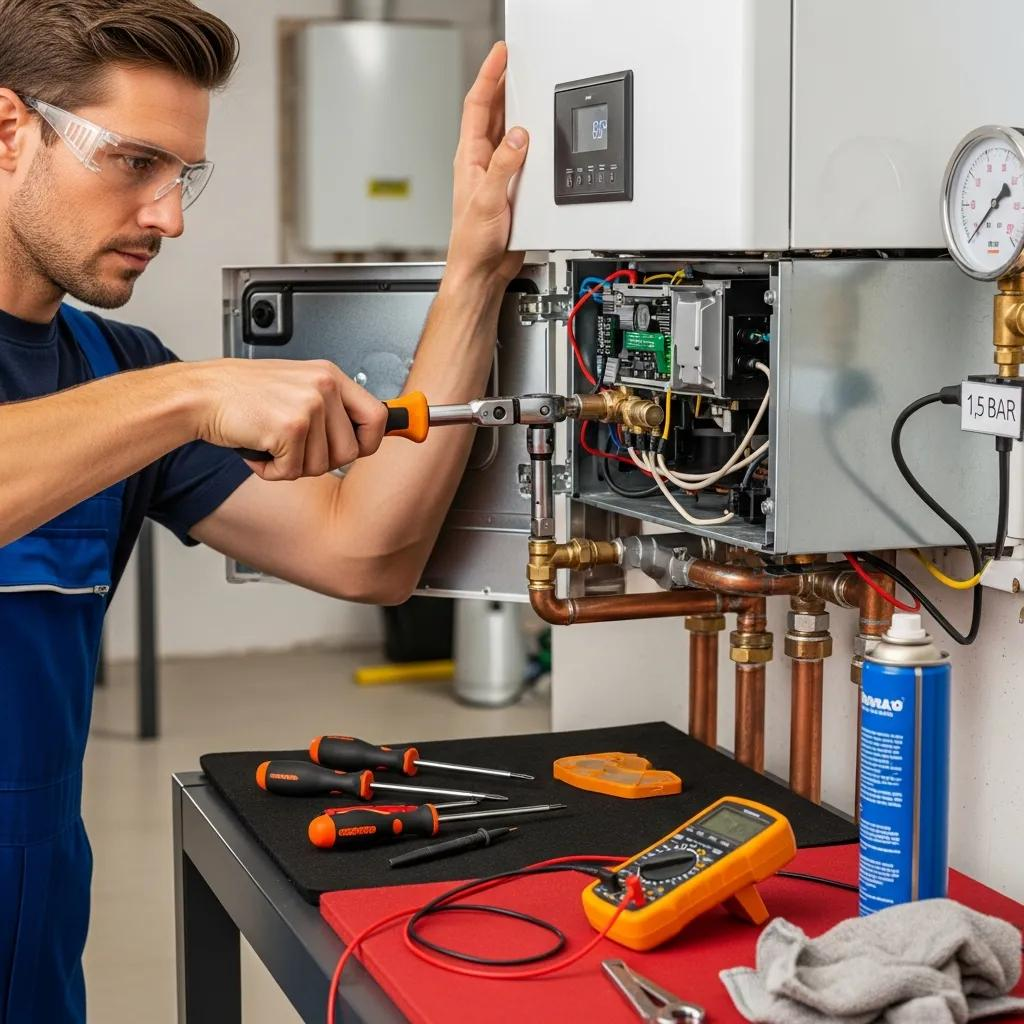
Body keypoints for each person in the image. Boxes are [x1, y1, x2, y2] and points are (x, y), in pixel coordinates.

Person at [0, 0, 529, 1018]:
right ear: (10, 129)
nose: (169, 217)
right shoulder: (151, 394)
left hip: (32, 938)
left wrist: (473, 273)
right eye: (132, 162)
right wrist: (191, 395)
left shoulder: (112, 369)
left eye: (183, 176)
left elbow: (362, 554)